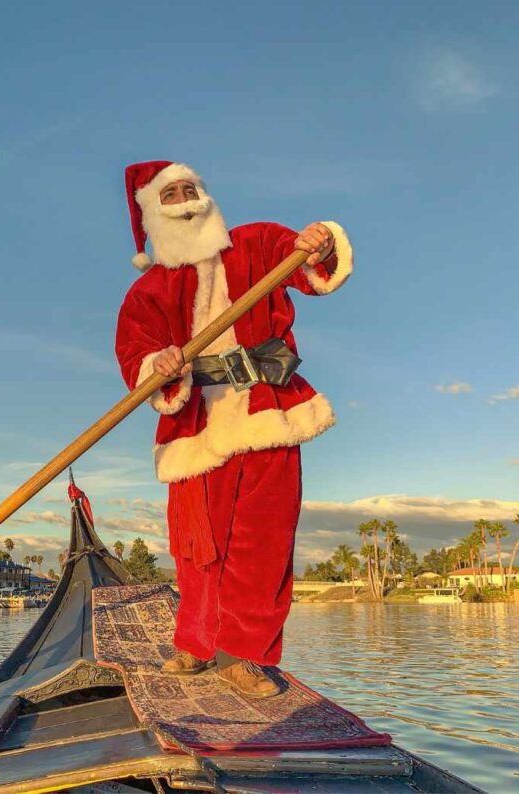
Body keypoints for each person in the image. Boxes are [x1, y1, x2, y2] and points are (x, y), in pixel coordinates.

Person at [115, 160, 352, 697]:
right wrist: (158, 366)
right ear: (152, 213)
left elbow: (306, 266)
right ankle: (196, 643)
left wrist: (316, 245)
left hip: (268, 412)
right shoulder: (146, 293)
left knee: (265, 542)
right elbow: (135, 353)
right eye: (170, 194)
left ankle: (245, 656)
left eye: (190, 188)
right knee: (198, 546)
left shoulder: (256, 243)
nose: (185, 199)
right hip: (196, 427)